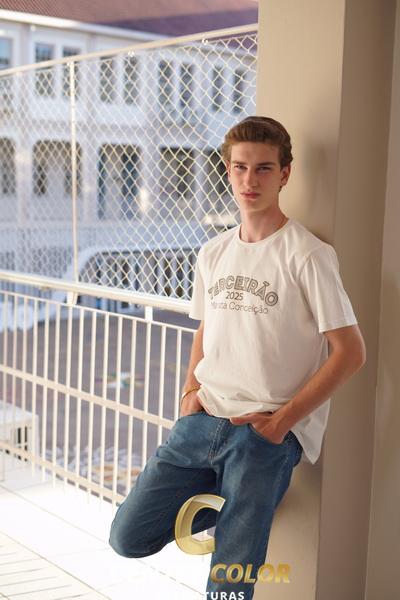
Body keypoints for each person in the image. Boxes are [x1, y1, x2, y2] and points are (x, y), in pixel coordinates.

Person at [109, 116, 366, 600]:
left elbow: (351, 352)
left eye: (264, 168)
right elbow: (206, 329)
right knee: (128, 536)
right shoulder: (213, 252)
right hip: (201, 421)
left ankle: (248, 498)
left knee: (228, 582)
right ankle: (241, 501)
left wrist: (281, 424)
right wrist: (189, 392)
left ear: (285, 174)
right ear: (227, 170)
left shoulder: (308, 255)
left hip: (261, 435)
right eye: (241, 167)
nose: (251, 180)